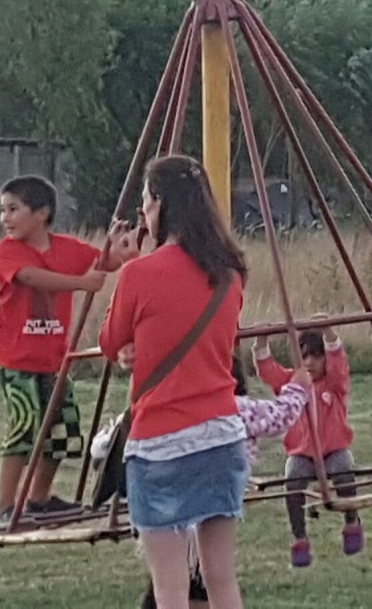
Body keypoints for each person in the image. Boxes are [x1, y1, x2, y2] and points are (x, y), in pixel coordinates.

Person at [99, 154, 248, 609]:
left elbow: (110, 340)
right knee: (221, 579)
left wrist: (126, 264)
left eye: (146, 200)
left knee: (170, 586)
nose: (143, 211)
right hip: (222, 432)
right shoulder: (231, 272)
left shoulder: (139, 274)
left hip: (161, 437)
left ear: (160, 203)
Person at [111, 356, 313, 609]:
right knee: (211, 578)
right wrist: (298, 389)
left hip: (175, 499)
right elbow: (280, 416)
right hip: (215, 494)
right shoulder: (238, 408)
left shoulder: (181, 405)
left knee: (170, 581)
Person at [0, 174, 132, 528]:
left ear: (41, 214)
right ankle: (5, 507)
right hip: (18, 361)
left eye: (13, 209)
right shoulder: (8, 251)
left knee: (63, 432)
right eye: (3, 210)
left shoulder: (65, 249)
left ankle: (39, 499)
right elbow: (31, 278)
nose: (5, 218)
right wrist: (81, 284)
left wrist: (120, 249)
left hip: (54, 361)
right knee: (24, 431)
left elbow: (104, 262)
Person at [252, 321, 362, 567]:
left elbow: (339, 364)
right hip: (302, 452)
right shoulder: (292, 382)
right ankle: (299, 537)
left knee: (345, 474)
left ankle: (352, 521)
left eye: (316, 356)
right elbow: (268, 371)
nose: (310, 363)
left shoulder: (335, 383)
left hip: (333, 449)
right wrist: (261, 341)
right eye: (305, 357)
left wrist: (329, 333)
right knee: (292, 482)